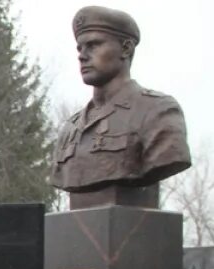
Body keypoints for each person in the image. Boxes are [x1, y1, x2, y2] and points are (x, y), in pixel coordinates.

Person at [51, 6, 190, 198]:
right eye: (80, 48)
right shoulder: (70, 129)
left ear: (125, 48)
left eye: (93, 45)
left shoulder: (158, 111)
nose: (82, 56)